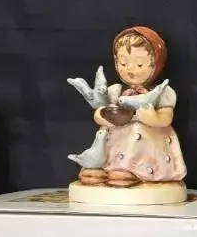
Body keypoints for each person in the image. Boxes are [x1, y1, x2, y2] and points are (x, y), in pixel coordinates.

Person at [76, 26, 185, 188]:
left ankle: (136, 172)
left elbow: (166, 118)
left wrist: (153, 118)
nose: (130, 69)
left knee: (140, 141)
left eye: (139, 64)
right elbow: (99, 113)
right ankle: (103, 169)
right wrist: (102, 115)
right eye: (123, 63)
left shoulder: (161, 92)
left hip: (147, 137)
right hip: (116, 136)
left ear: (156, 64)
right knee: (103, 144)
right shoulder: (115, 91)